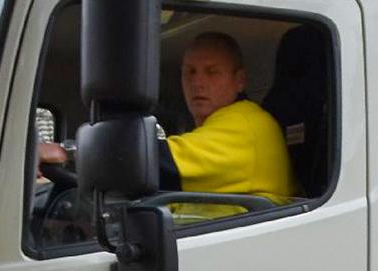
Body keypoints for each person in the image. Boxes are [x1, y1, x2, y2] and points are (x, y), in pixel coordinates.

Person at [41, 32, 297, 214]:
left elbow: (150, 162)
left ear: (239, 80)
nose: (198, 82)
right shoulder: (215, 128)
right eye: (190, 72)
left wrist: (67, 152)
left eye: (212, 72)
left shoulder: (246, 124)